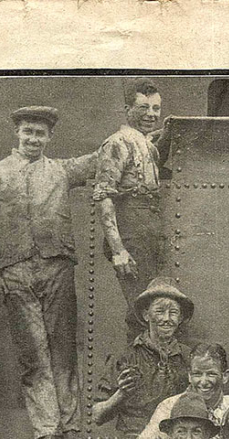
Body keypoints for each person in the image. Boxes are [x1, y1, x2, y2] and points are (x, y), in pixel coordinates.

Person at [0, 105, 97, 439]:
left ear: (49, 137)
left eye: (40, 133)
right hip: (14, 270)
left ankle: (71, 427)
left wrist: (133, 137)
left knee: (62, 349)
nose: (33, 138)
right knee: (33, 352)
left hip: (57, 267)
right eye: (28, 132)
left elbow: (100, 158)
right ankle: (47, 430)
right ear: (18, 133)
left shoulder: (60, 171)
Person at [95, 78, 168, 340]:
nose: (151, 114)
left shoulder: (145, 143)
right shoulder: (117, 142)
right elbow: (104, 195)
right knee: (142, 311)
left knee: (151, 305)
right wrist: (118, 250)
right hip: (131, 229)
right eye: (144, 108)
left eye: (156, 108)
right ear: (128, 110)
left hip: (148, 228)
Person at [92, 277, 193, 439]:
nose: (167, 318)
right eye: (160, 311)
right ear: (146, 315)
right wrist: (121, 394)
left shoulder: (189, 357)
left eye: (173, 312)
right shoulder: (125, 356)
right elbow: (97, 415)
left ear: (180, 318)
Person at [128, 342, 229, 439]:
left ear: (225, 376)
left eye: (211, 374)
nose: (203, 381)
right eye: (197, 374)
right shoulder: (170, 406)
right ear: (189, 376)